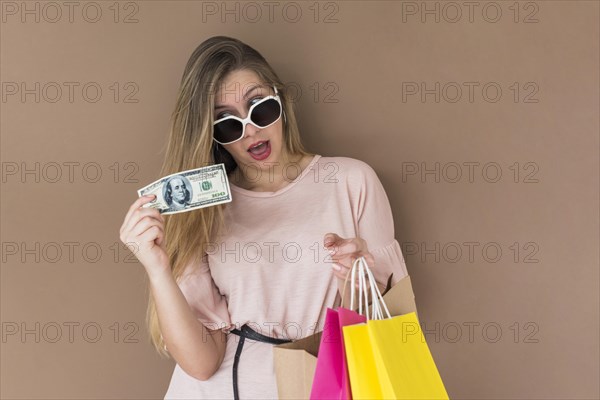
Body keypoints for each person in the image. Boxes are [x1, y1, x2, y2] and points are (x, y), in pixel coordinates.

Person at [119, 35, 409, 399]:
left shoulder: (351, 181)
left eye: (260, 107)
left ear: (281, 101)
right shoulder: (204, 212)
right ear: (213, 136)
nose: (250, 129)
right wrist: (157, 267)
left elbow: (389, 328)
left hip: (321, 381)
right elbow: (201, 363)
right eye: (227, 123)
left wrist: (355, 277)